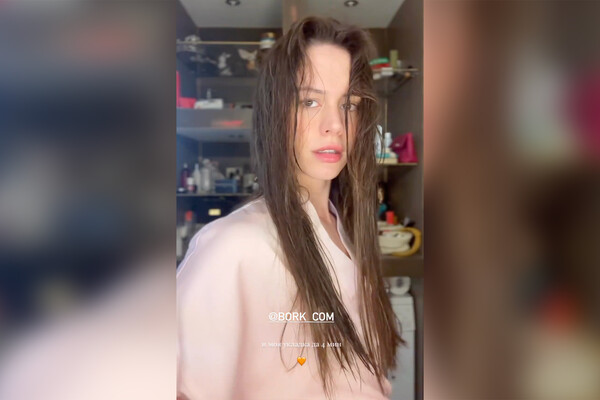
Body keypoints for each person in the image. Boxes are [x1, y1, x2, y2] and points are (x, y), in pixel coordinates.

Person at [177, 16, 402, 400]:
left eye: (348, 104)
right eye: (309, 101)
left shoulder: (344, 228)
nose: (335, 125)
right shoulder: (235, 245)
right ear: (276, 113)